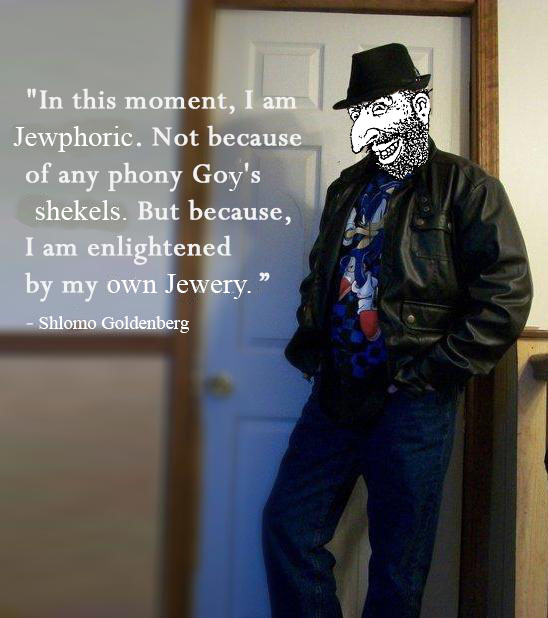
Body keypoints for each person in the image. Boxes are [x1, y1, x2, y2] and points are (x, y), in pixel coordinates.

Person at [261, 43, 533, 617]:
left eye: (383, 106)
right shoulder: (347, 187)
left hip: (413, 399)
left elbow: (505, 295)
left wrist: (432, 372)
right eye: (363, 110)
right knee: (288, 527)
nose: (370, 121)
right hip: (336, 393)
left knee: (398, 562)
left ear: (417, 106)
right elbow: (322, 273)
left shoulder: (466, 186)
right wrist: (316, 343)